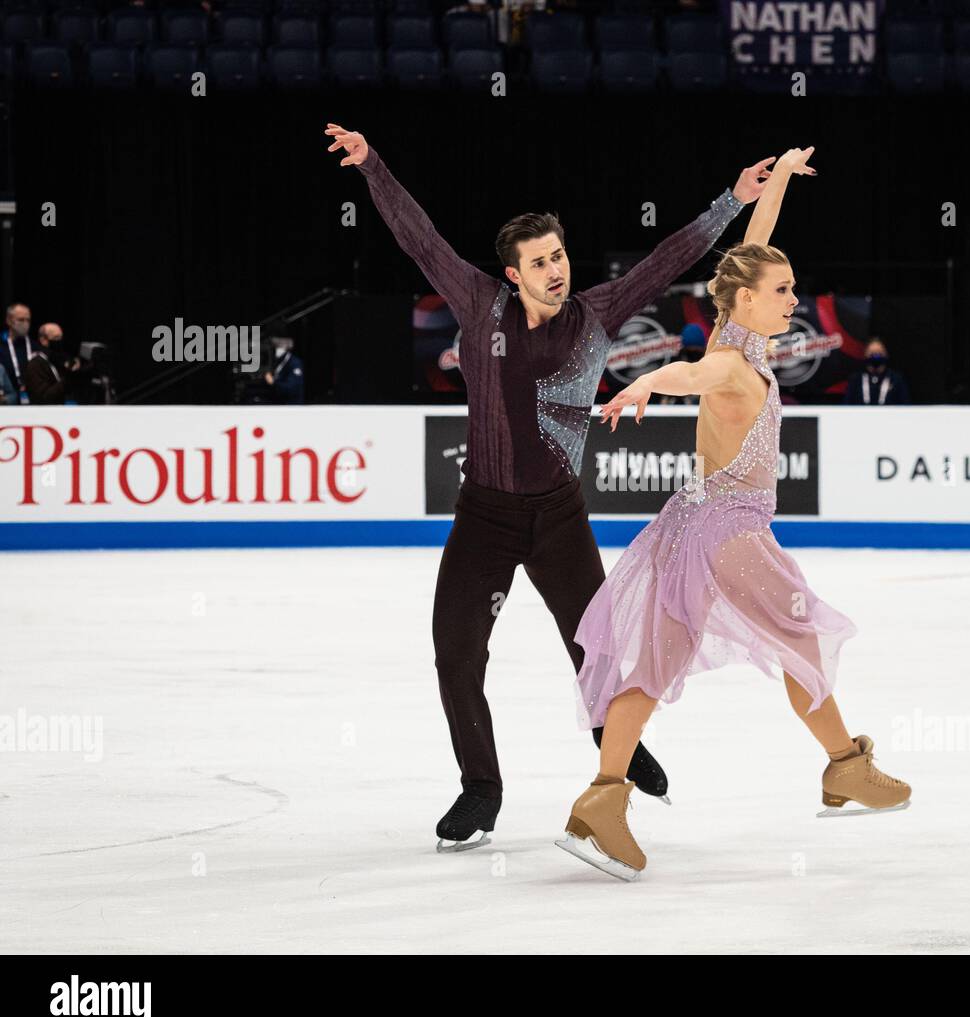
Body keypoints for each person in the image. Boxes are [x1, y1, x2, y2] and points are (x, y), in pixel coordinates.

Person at [326, 122, 773, 852]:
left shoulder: (594, 316)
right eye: (539, 262)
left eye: (559, 255)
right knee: (456, 650)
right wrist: (372, 164)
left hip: (560, 516)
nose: (556, 269)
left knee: (596, 647)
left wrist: (731, 200)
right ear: (513, 273)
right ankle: (482, 788)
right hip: (485, 515)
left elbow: (666, 261)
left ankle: (619, 751)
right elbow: (420, 238)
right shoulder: (476, 305)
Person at [556, 148, 912, 881]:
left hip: (689, 530)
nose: (793, 299)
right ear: (745, 300)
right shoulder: (728, 365)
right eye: (783, 291)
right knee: (802, 638)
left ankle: (601, 798)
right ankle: (845, 764)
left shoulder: (738, 340)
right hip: (732, 532)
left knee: (654, 665)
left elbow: (757, 244)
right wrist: (648, 380)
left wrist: (777, 180)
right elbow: (692, 373)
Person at [843, 336, 911, 405]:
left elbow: (905, 406)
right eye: (872, 353)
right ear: (865, 355)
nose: (876, 356)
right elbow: (846, 406)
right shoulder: (856, 380)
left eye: (879, 353)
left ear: (886, 355)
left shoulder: (896, 379)